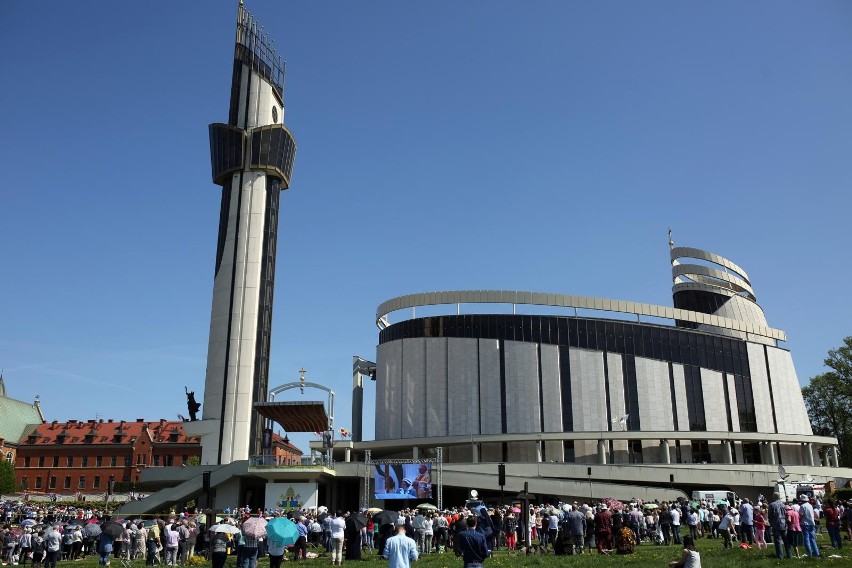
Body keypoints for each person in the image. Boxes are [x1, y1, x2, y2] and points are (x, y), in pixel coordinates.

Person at [768, 493, 791, 559]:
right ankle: (789, 555)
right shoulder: (783, 504)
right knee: (786, 540)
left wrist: (771, 522)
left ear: (774, 497)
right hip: (784, 523)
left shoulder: (772, 505)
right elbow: (786, 514)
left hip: (776, 524)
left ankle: (780, 556)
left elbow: (770, 515)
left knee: (778, 540)